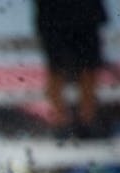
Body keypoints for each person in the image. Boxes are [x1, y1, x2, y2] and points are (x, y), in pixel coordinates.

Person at [34, 0, 108, 137]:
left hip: (65, 15)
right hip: (67, 15)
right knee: (61, 71)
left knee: (80, 70)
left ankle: (79, 123)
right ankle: (69, 123)